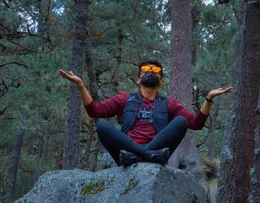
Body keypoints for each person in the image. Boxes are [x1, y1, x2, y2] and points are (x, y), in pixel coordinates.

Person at [59, 60, 232, 166]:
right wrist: (81, 86)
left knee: (180, 121)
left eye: (155, 70)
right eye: (145, 70)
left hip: (158, 152)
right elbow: (95, 111)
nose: (150, 72)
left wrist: (208, 99)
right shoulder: (124, 98)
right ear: (138, 79)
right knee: (103, 125)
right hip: (126, 154)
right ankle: (144, 155)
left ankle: (144, 153)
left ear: (161, 81)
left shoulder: (168, 103)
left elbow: (196, 124)